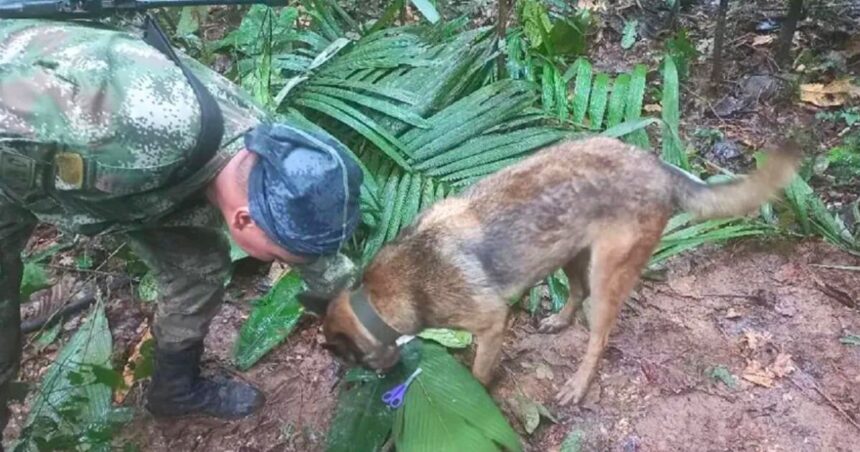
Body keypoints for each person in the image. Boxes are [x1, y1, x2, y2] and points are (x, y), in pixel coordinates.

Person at [0, 17, 363, 444]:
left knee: (198, 268)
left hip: (133, 183)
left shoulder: (268, 159)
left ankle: (174, 389)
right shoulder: (130, 134)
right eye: (279, 258)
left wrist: (363, 319)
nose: (281, 264)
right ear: (243, 220)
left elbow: (311, 250)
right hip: (18, 150)